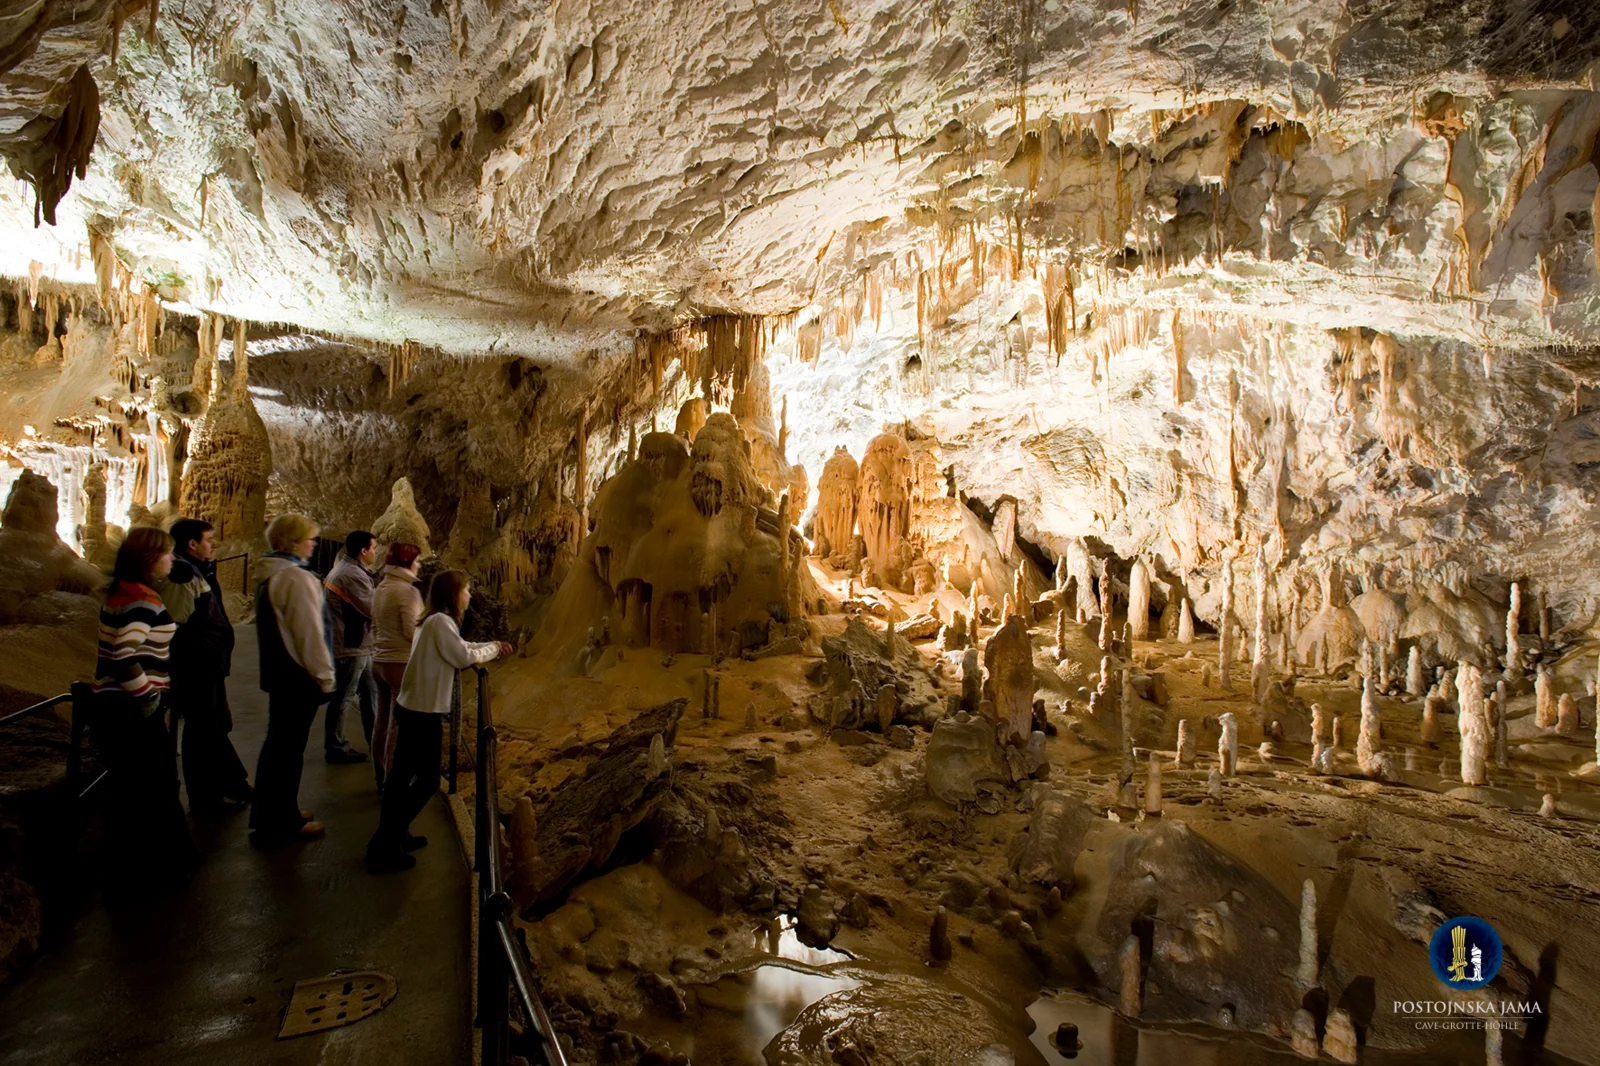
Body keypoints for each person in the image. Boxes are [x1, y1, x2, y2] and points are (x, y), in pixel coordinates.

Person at [366, 570, 510, 873]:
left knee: (401, 778)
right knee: (428, 780)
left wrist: (489, 647)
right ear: (453, 593)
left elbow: (461, 648)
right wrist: (495, 649)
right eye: (467, 589)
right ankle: (385, 843)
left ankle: (394, 836)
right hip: (422, 713)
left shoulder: (432, 621)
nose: (469, 595)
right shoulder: (441, 622)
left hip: (414, 708)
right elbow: (460, 656)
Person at [90, 526, 197, 890]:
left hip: (115, 706)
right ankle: (159, 867)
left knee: (132, 788)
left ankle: (131, 865)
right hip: (131, 709)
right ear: (150, 559)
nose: (172, 559)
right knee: (155, 786)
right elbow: (123, 655)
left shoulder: (121, 591)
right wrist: (148, 698)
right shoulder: (143, 601)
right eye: (167, 554)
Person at [250, 514, 336, 844]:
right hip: (298, 676)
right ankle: (281, 822)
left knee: (280, 745)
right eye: (309, 538)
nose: (313, 544)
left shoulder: (270, 573)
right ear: (292, 542)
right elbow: (309, 634)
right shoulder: (296, 579)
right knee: (288, 750)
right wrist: (325, 677)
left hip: (279, 673)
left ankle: (275, 810)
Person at [160, 517, 251, 813]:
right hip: (196, 666)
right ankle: (204, 799)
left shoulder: (195, 570)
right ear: (192, 544)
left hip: (207, 663)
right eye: (209, 541)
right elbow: (174, 625)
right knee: (201, 731)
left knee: (214, 726)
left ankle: (233, 784)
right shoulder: (182, 575)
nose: (213, 545)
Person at [370, 542, 423, 792]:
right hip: (398, 663)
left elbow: (374, 626)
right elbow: (411, 631)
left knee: (381, 721)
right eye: (417, 560)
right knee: (397, 724)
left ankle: (379, 773)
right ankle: (392, 782)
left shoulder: (381, 587)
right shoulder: (407, 591)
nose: (420, 565)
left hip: (378, 661)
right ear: (407, 562)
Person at [323, 530, 379, 764]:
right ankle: (336, 747)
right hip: (351, 646)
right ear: (363, 551)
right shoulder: (351, 574)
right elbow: (373, 608)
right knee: (344, 697)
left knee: (370, 693)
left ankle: (376, 741)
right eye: (374, 547)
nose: (376, 552)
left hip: (359, 646)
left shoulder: (350, 570)